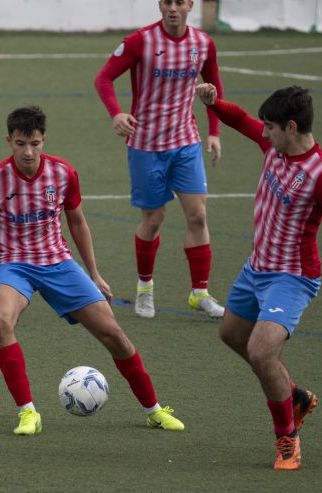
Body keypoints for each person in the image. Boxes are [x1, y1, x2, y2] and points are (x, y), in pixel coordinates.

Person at [0, 106, 185, 435]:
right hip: (13, 266)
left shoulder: (63, 174)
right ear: (9, 141)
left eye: (34, 143)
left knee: (113, 334)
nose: (28, 152)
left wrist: (94, 273)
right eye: (20, 144)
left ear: (44, 139)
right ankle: (28, 412)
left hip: (58, 263)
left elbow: (77, 222)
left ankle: (154, 409)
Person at [195, 83, 322, 470]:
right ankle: (295, 396)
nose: (264, 131)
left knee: (260, 350)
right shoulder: (274, 145)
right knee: (231, 335)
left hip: (292, 278)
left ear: (291, 127)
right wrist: (214, 102)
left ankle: (287, 437)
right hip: (256, 267)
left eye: (271, 126)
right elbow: (241, 120)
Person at [94, 0, 224, 319]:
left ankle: (200, 293)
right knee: (153, 220)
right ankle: (145, 289)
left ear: (190, 5)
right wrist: (117, 114)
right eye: (168, 2)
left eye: (180, 2)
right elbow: (103, 79)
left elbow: (214, 87)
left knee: (198, 216)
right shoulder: (140, 41)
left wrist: (214, 131)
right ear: (160, 5)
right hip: (146, 145)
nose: (173, 9)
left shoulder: (203, 43)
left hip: (185, 143)